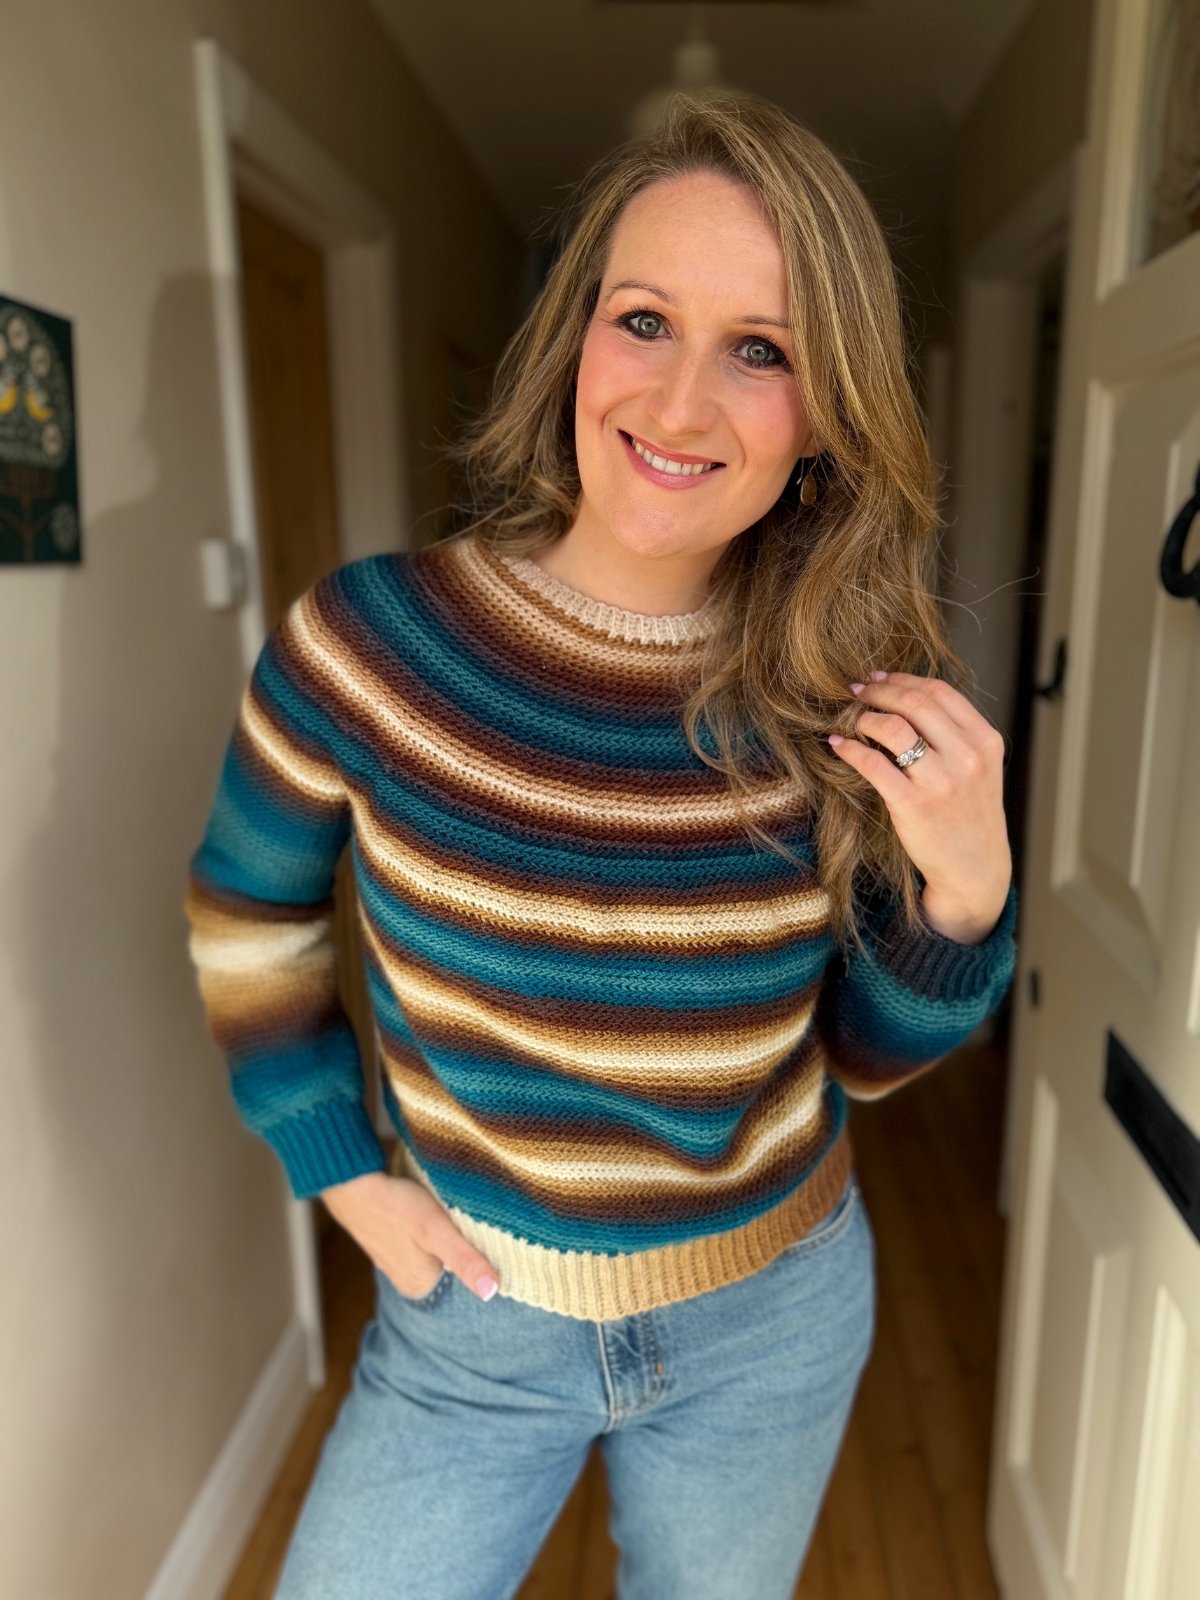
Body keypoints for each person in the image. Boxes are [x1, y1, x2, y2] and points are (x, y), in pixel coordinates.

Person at [184, 90, 1017, 1600]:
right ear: (575, 338)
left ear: (827, 412)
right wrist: (343, 1173)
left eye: (761, 350)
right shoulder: (369, 647)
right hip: (474, 1323)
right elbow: (249, 918)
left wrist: (964, 892)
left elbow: (861, 1063)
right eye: (645, 320)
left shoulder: (843, 700)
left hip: (773, 1317)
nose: (681, 402)